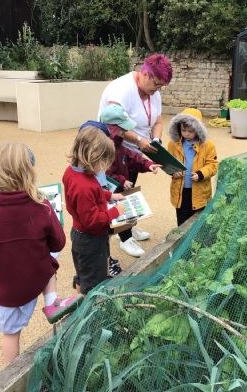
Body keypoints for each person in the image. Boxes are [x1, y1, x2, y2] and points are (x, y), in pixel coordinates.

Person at [0, 142, 82, 364]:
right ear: (28, 171)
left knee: (10, 334)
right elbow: (58, 243)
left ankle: (10, 377)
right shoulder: (42, 205)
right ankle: (52, 301)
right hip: (37, 277)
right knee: (49, 260)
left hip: (6, 290)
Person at [98, 53, 173, 251]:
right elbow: (114, 125)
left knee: (130, 189)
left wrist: (155, 141)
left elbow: (158, 120)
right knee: (120, 190)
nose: (158, 90)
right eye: (156, 84)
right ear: (145, 74)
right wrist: (139, 140)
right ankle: (124, 238)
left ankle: (128, 228)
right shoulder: (121, 90)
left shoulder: (153, 93)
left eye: (161, 86)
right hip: (115, 150)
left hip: (136, 151)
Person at [63, 126, 125, 295]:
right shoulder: (84, 185)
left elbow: (92, 194)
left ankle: (82, 293)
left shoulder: (73, 172)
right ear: (91, 157)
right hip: (91, 239)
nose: (104, 168)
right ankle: (89, 305)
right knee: (92, 284)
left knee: (83, 274)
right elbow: (92, 221)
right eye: (102, 163)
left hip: (81, 235)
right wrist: (115, 212)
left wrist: (109, 195)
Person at [100, 104, 161, 257]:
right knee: (117, 213)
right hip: (110, 189)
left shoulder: (117, 142)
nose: (125, 132)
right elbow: (104, 173)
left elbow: (130, 156)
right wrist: (122, 181)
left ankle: (129, 231)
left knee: (127, 209)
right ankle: (125, 239)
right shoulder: (102, 147)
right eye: (122, 128)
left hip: (119, 185)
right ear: (112, 127)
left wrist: (148, 164)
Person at [167, 108, 218, 226]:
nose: (186, 134)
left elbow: (213, 165)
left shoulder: (208, 145)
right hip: (180, 191)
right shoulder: (173, 144)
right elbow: (168, 162)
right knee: (182, 222)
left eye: (190, 131)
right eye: (183, 130)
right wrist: (173, 171)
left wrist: (201, 174)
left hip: (200, 191)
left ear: (198, 129)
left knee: (198, 223)